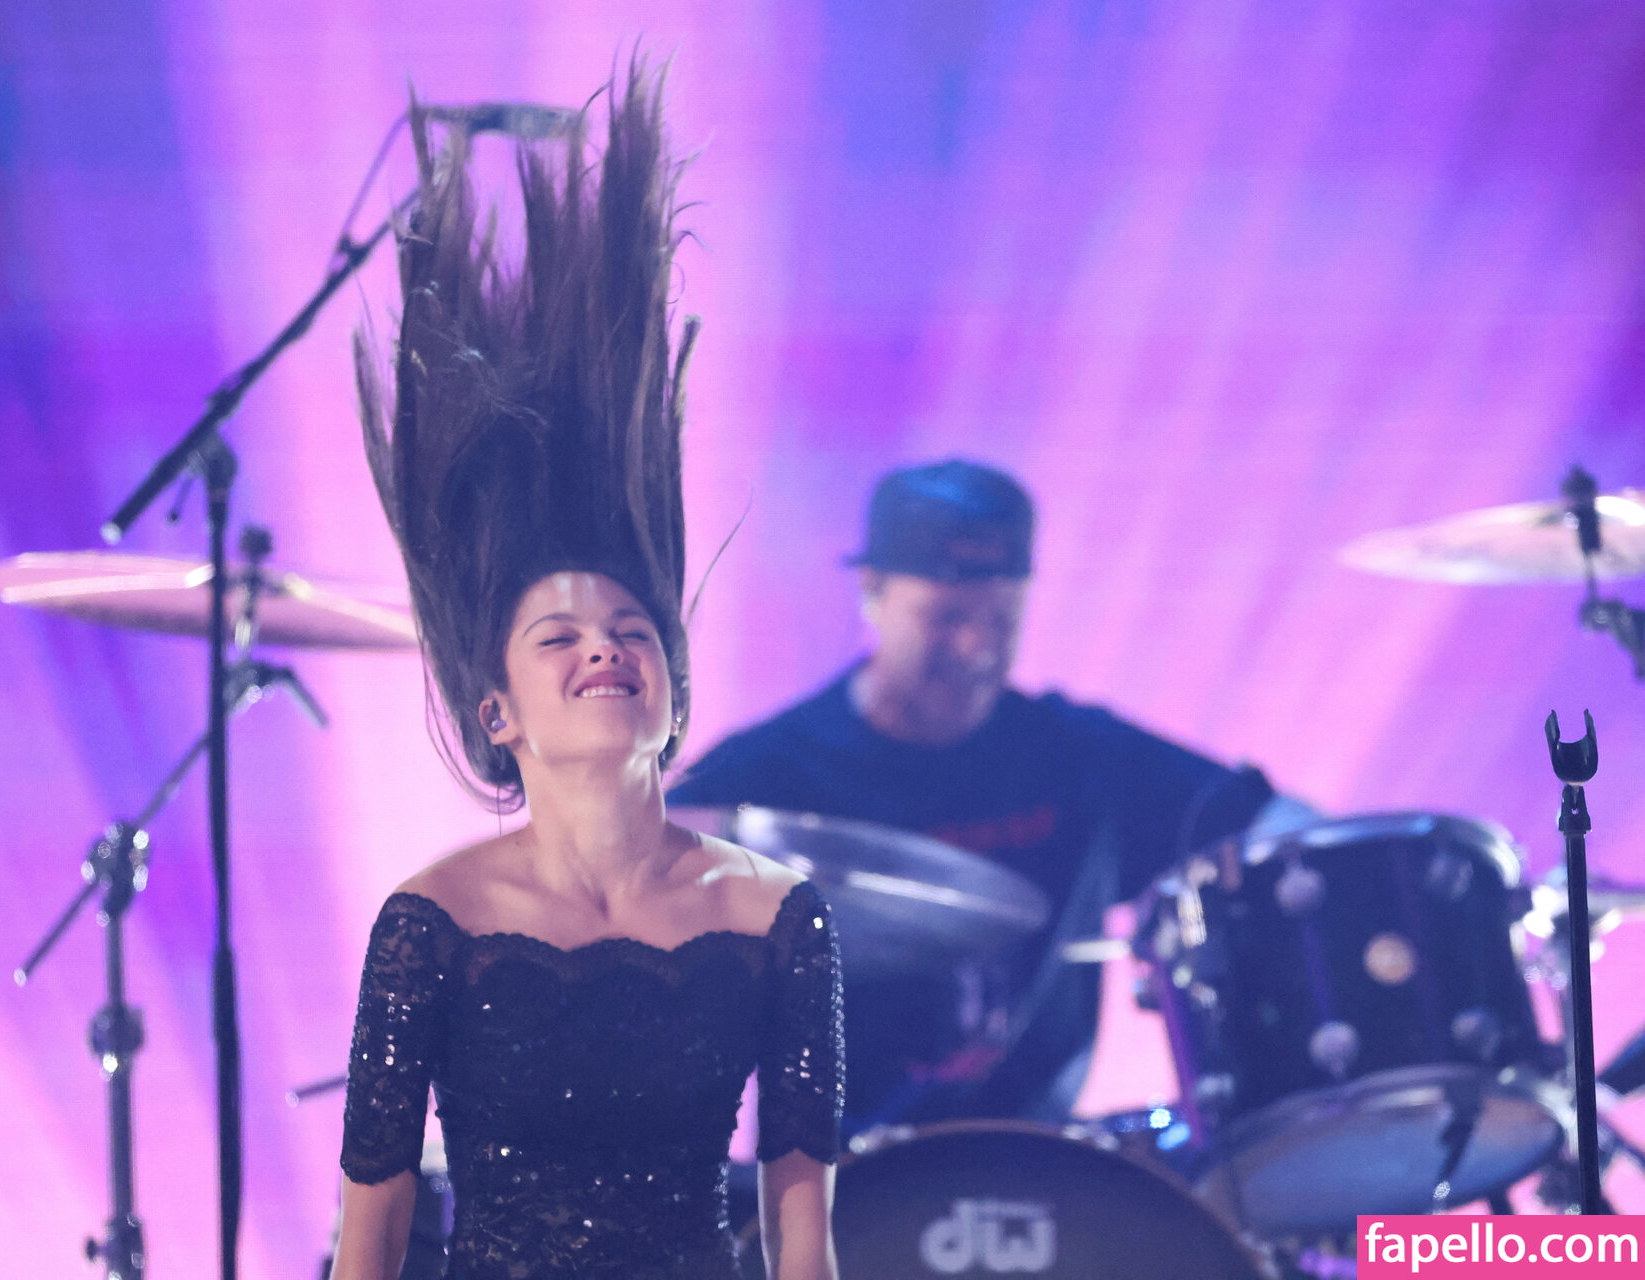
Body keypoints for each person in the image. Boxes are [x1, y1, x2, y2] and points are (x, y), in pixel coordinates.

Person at [330, 67, 844, 1280]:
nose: (604, 645)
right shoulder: (431, 922)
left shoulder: (778, 916)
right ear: (496, 711)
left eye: (631, 629)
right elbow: (371, 1240)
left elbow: (804, 1239)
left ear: (672, 689)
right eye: (557, 638)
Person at [668, 459, 1282, 1129]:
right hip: (839, 1164)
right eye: (946, 617)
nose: (975, 648)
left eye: (1001, 619)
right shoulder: (771, 772)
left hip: (1040, 1154)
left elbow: (1281, 833)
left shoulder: (1081, 755)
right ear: (872, 591)